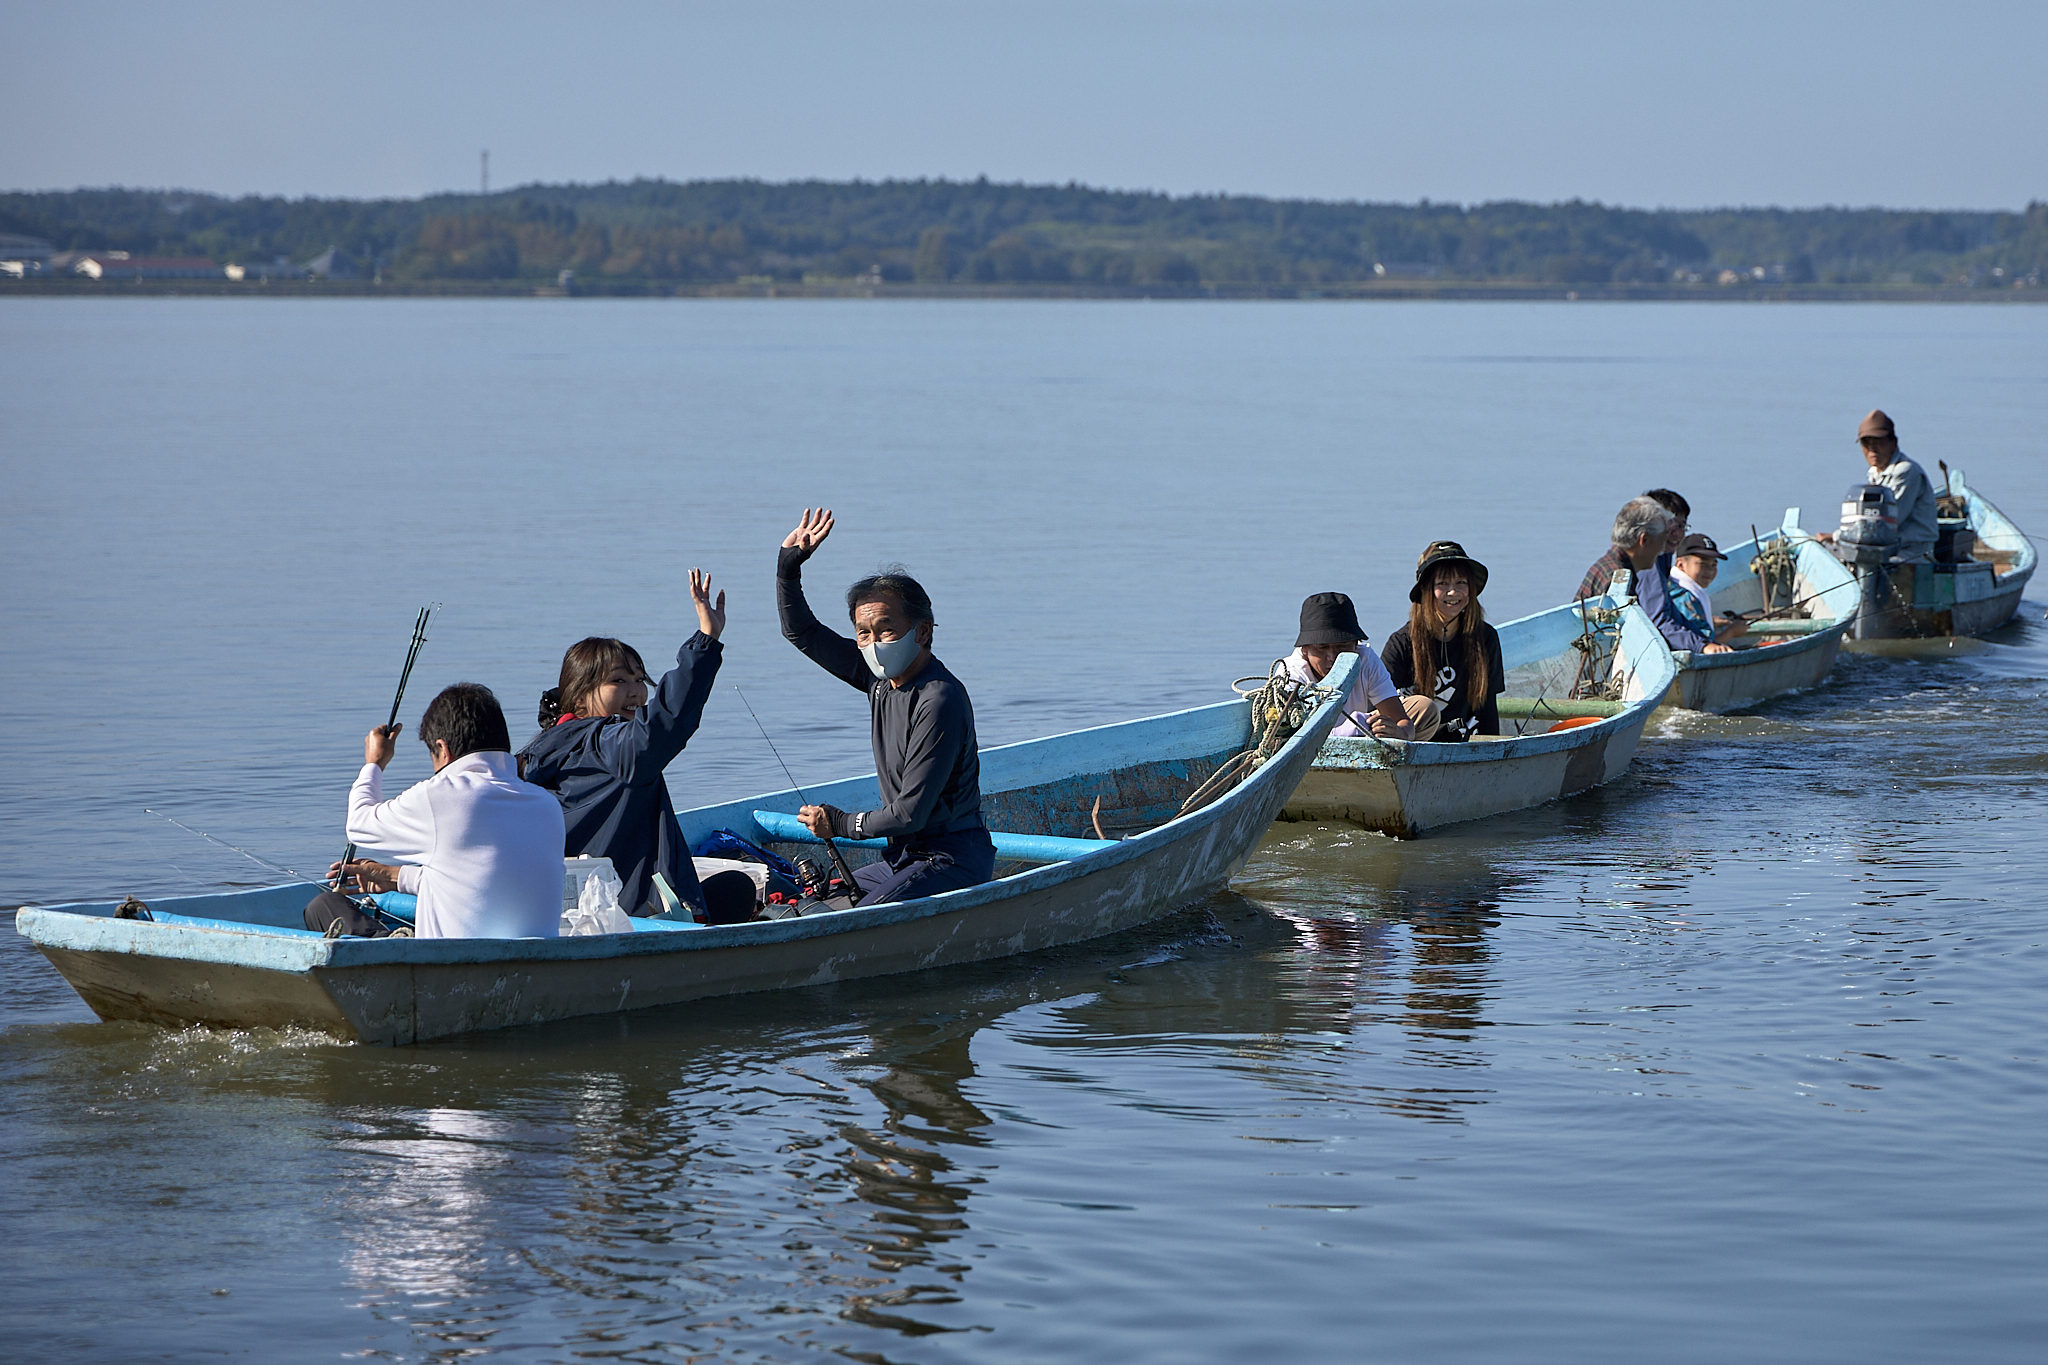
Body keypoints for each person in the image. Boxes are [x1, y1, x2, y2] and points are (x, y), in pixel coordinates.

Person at [776, 507, 996, 905]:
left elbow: (910, 812)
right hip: (901, 857)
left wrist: (839, 822)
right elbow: (802, 632)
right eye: (863, 633)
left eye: (886, 629)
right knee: (817, 905)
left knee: (849, 919)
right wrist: (787, 570)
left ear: (923, 630)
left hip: (952, 857)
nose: (874, 643)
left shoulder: (939, 698)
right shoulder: (877, 680)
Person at [517, 569, 736, 920]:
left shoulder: (541, 750)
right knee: (736, 890)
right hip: (635, 913)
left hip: (568, 910)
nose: (635, 691)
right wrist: (706, 641)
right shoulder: (612, 744)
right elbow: (664, 725)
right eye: (618, 680)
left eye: (639, 679)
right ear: (579, 693)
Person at [306, 682, 565, 939]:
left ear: (443, 748)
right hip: (533, 963)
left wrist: (374, 764)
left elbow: (358, 824)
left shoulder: (442, 795)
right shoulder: (546, 805)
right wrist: (396, 877)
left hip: (450, 968)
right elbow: (480, 879)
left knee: (324, 906)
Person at [1381, 541, 1506, 742]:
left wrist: (1494, 753)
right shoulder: (1402, 642)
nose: (1453, 592)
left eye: (1461, 583)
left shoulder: (1486, 637)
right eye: (1442, 584)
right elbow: (1381, 706)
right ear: (1425, 590)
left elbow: (1488, 707)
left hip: (1464, 743)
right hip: (1416, 745)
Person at [1576, 496, 1732, 654]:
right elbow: (1652, 623)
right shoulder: (1619, 578)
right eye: (1662, 540)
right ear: (1644, 540)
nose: (1664, 548)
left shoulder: (1614, 564)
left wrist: (1702, 641)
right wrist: (1701, 645)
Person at [1281, 592, 1412, 739]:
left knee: (1423, 709)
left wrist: (1397, 732)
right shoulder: (1289, 674)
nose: (1332, 657)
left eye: (1342, 647)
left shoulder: (1366, 659)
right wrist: (1346, 730)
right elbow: (1290, 738)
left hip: (1362, 738)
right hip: (1313, 751)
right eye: (1322, 648)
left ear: (1356, 645)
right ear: (1304, 649)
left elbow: (1403, 722)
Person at [1814, 409, 1938, 563]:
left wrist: (1835, 536)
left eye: (1878, 443)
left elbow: (1883, 525)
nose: (1872, 450)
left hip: (1912, 554)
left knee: (1873, 568)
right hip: (1881, 548)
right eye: (1867, 444)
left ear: (1893, 444)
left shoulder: (1905, 471)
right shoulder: (1875, 472)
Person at [1669, 532, 1749, 645]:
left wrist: (1708, 620)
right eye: (1702, 564)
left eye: (1714, 565)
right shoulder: (1685, 597)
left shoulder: (1672, 584)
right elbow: (1704, 645)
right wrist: (1731, 632)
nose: (1710, 571)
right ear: (1681, 565)